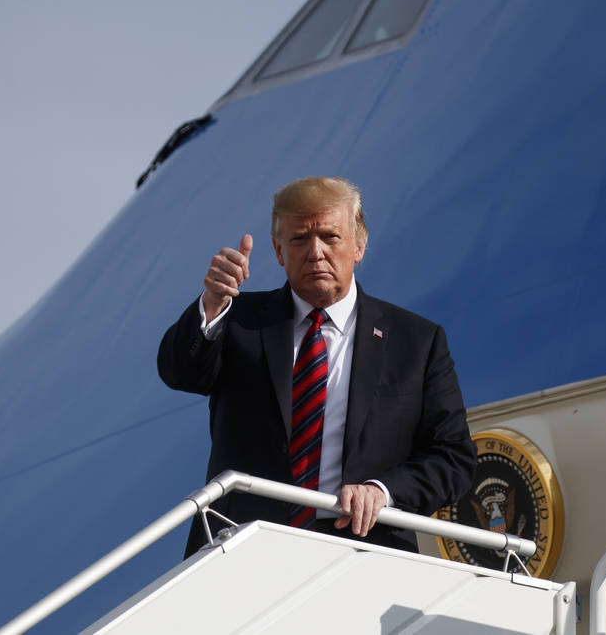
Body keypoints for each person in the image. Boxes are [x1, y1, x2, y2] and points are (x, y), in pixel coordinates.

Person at [158, 176, 476, 555]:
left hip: (365, 553)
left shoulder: (417, 342)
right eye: (298, 240)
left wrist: (383, 491)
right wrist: (211, 305)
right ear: (278, 251)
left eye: (330, 237)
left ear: (359, 245)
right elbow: (179, 372)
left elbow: (453, 457)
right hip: (244, 548)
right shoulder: (238, 321)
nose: (315, 252)